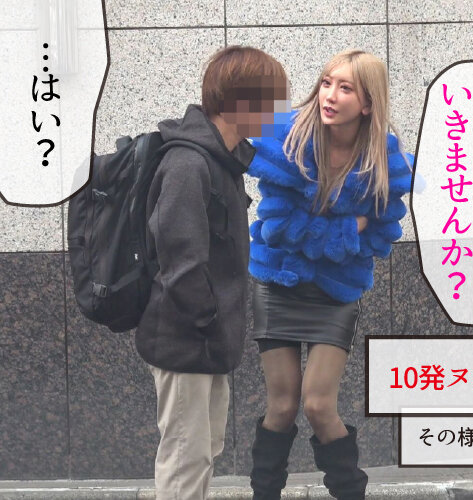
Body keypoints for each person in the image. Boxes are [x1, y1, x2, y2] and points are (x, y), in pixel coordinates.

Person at [247, 49, 413, 500]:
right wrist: (346, 228)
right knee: (282, 406)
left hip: (336, 294)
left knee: (319, 405)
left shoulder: (384, 160)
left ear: (368, 103)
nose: (330, 96)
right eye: (326, 83)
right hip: (278, 281)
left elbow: (383, 233)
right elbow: (278, 228)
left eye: (345, 88)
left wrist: (325, 229)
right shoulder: (289, 142)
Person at [135, 45, 289, 499]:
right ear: (241, 101)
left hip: (206, 341)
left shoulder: (223, 161)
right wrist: (208, 320)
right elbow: (180, 261)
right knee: (186, 458)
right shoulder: (189, 163)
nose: (278, 110)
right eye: (272, 99)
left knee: (203, 451)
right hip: (185, 340)